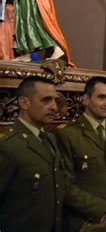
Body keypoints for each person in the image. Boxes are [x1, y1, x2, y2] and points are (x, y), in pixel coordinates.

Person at [56, 76, 106, 232]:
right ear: (85, 99)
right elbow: (65, 184)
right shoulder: (67, 134)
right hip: (84, 221)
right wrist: (103, 207)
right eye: (101, 97)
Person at [0, 76, 64, 232]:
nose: (54, 107)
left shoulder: (50, 138)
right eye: (46, 100)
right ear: (24, 103)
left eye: (55, 100)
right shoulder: (7, 146)